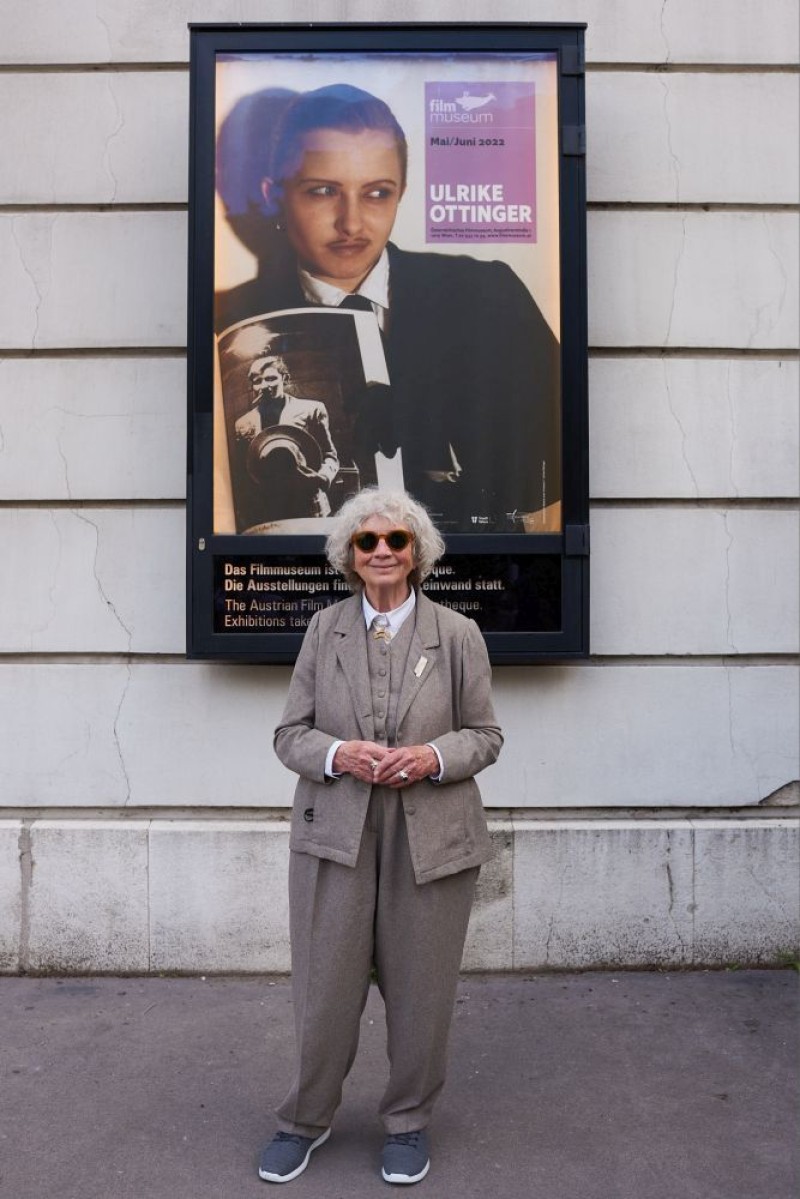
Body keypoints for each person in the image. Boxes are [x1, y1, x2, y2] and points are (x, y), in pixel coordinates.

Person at [259, 487, 503, 1185]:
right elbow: (289, 735)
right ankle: (304, 1118)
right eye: (368, 541)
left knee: (422, 991)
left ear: (417, 552)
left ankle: (408, 1121)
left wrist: (432, 758)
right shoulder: (323, 630)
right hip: (336, 833)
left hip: (432, 840)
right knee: (324, 988)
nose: (383, 552)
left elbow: (485, 735)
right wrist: (338, 755)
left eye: (396, 540)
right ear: (350, 555)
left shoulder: (457, 635)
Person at [216, 84, 561, 534]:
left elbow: (558, 472)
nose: (352, 223)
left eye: (377, 193)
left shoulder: (488, 295)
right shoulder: (228, 321)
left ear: (401, 191)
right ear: (274, 195)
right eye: (322, 191)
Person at [233, 353, 339, 526]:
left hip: (309, 503)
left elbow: (330, 455)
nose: (264, 386)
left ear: (285, 378)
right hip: (268, 508)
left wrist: (323, 478)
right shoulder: (243, 424)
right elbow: (243, 471)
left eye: (271, 379)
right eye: (257, 381)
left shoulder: (312, 410)